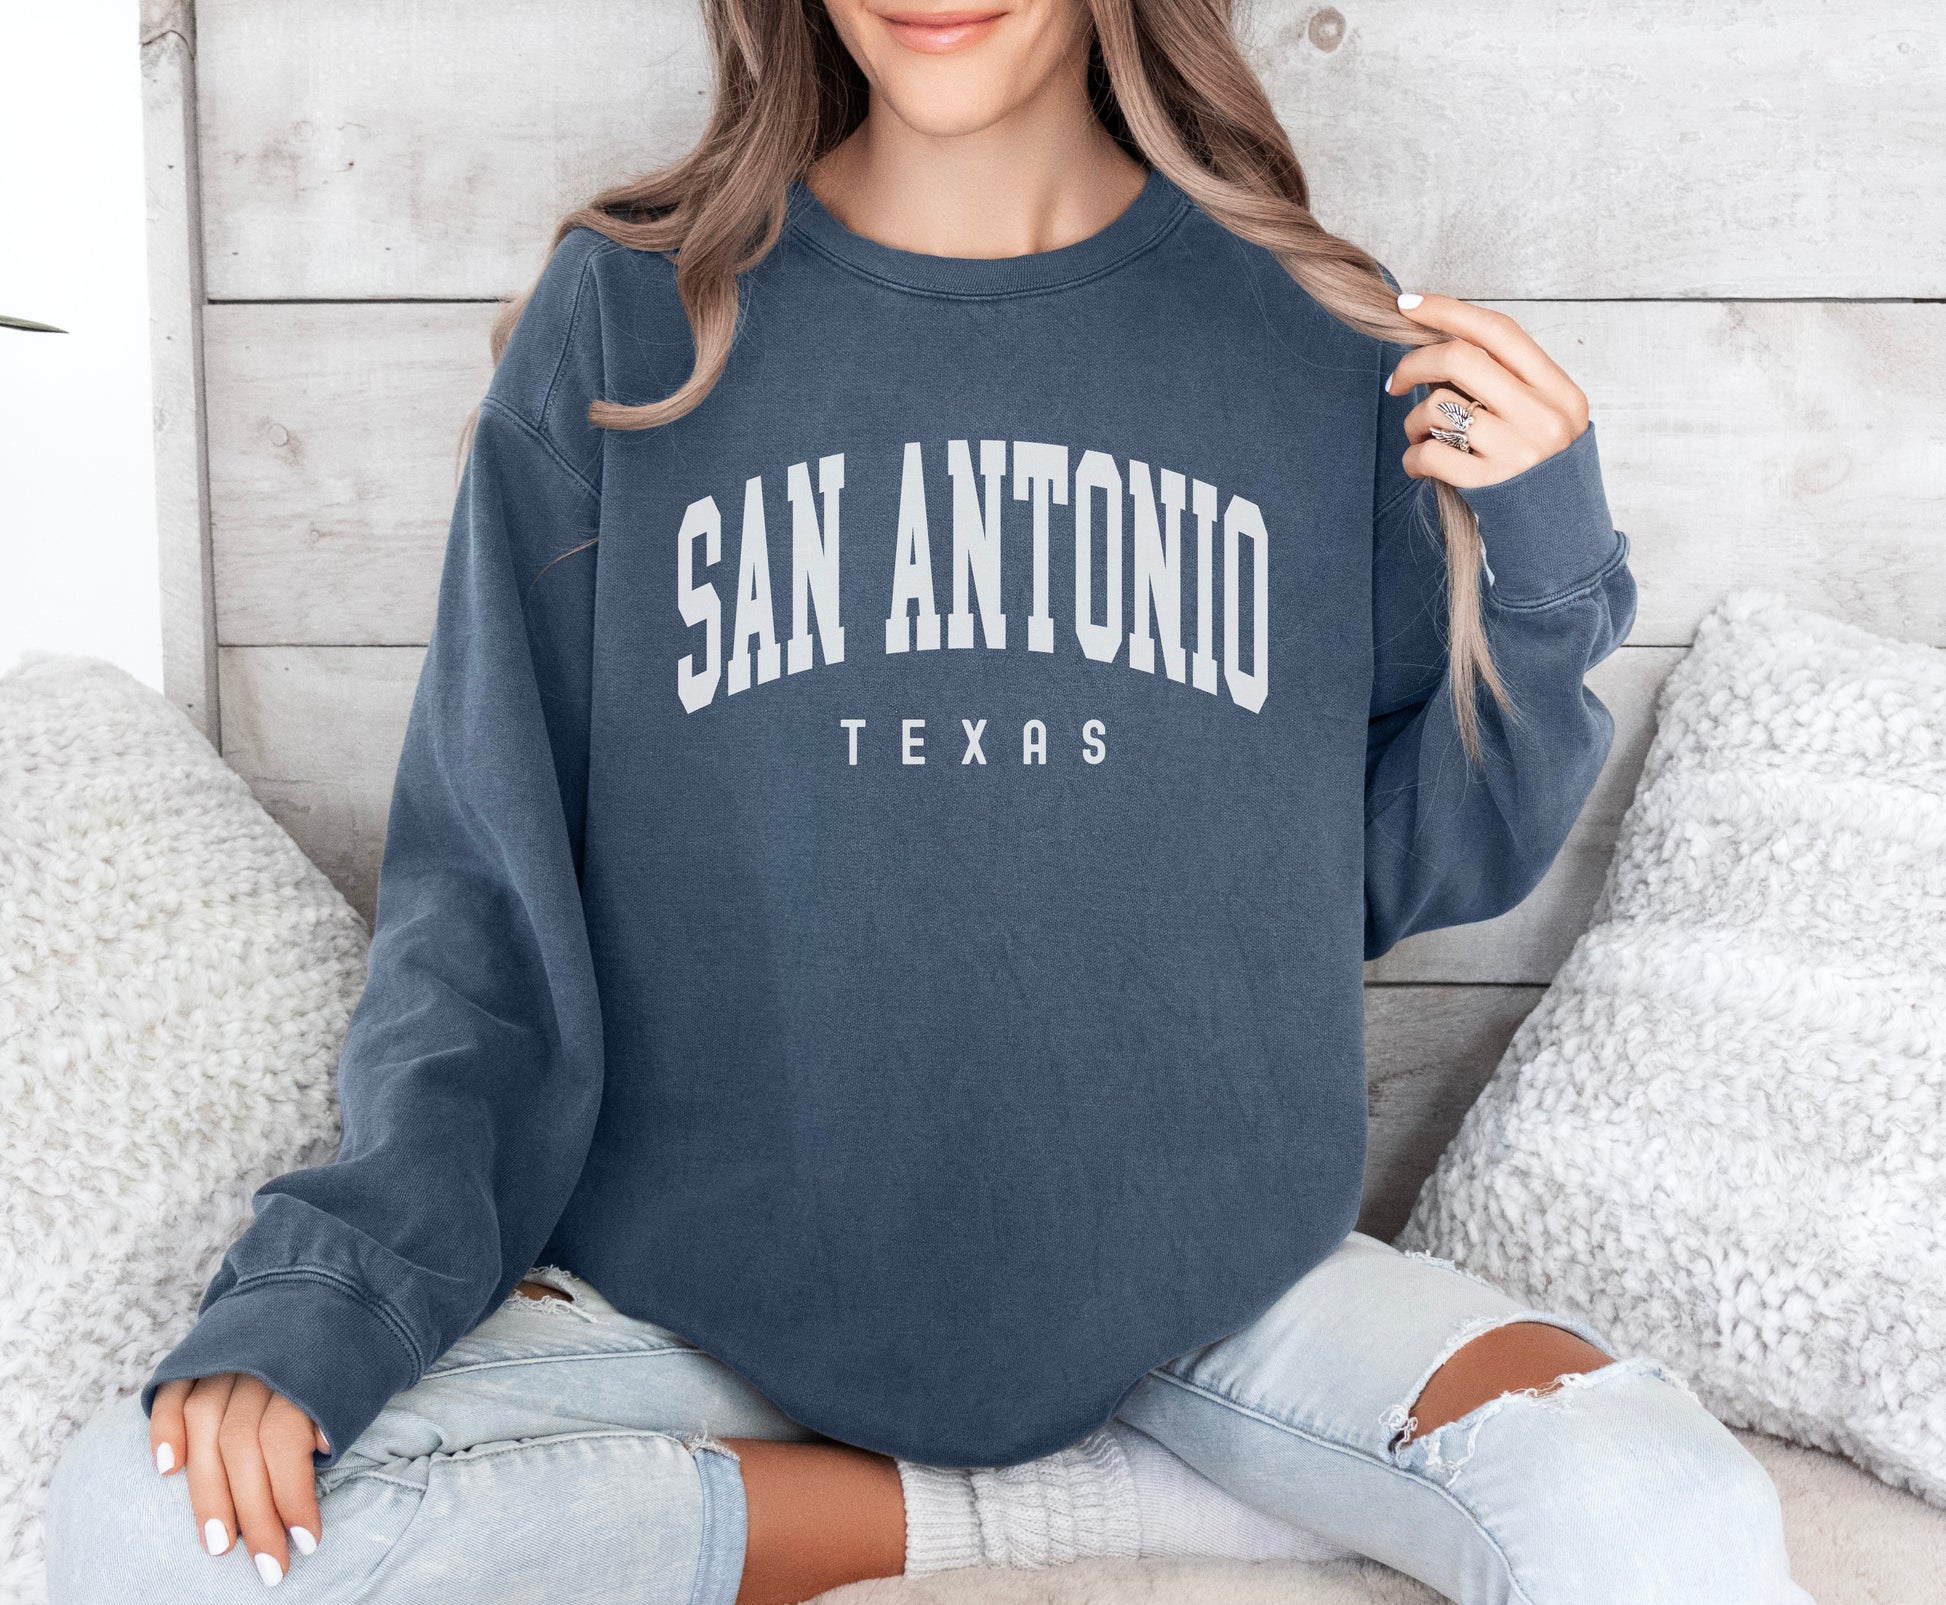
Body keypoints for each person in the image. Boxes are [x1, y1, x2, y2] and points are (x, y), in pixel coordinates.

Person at [46, 0, 1811, 1599]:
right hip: (700, 1291)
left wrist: (1542, 569)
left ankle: (1082, 1460)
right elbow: (484, 909)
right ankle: (1009, 1507)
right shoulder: (628, 312)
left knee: (1662, 1517)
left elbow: (1386, 865)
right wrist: (326, 1291)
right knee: (148, 1530)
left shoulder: (1308, 333)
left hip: (1211, 1291)